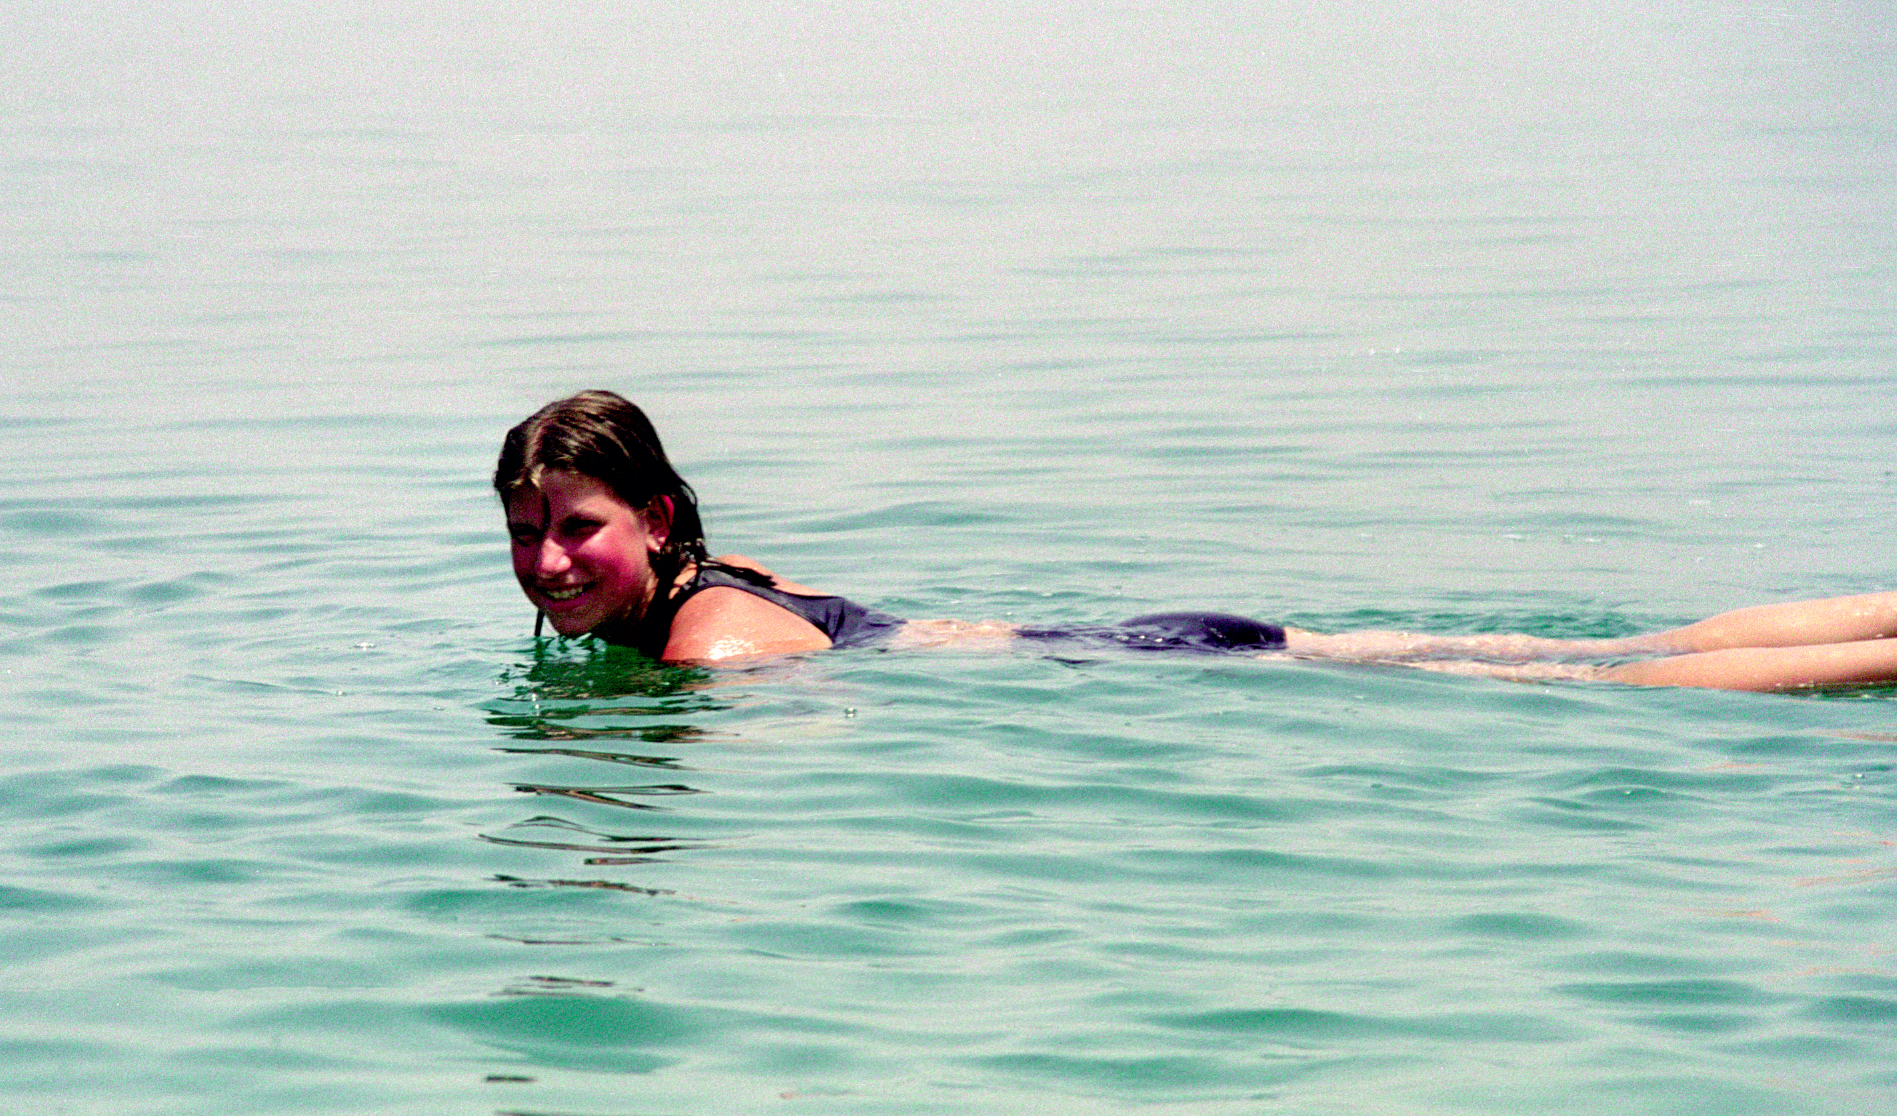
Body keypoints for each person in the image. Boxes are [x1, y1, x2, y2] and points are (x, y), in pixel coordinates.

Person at [496, 391, 1897, 693]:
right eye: (528, 533)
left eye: (578, 527)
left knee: (1603, 679)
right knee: (1591, 652)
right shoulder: (728, 574)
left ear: (655, 519)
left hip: (1151, 663)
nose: (550, 559)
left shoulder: (708, 643)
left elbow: (813, 731)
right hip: (1147, 638)